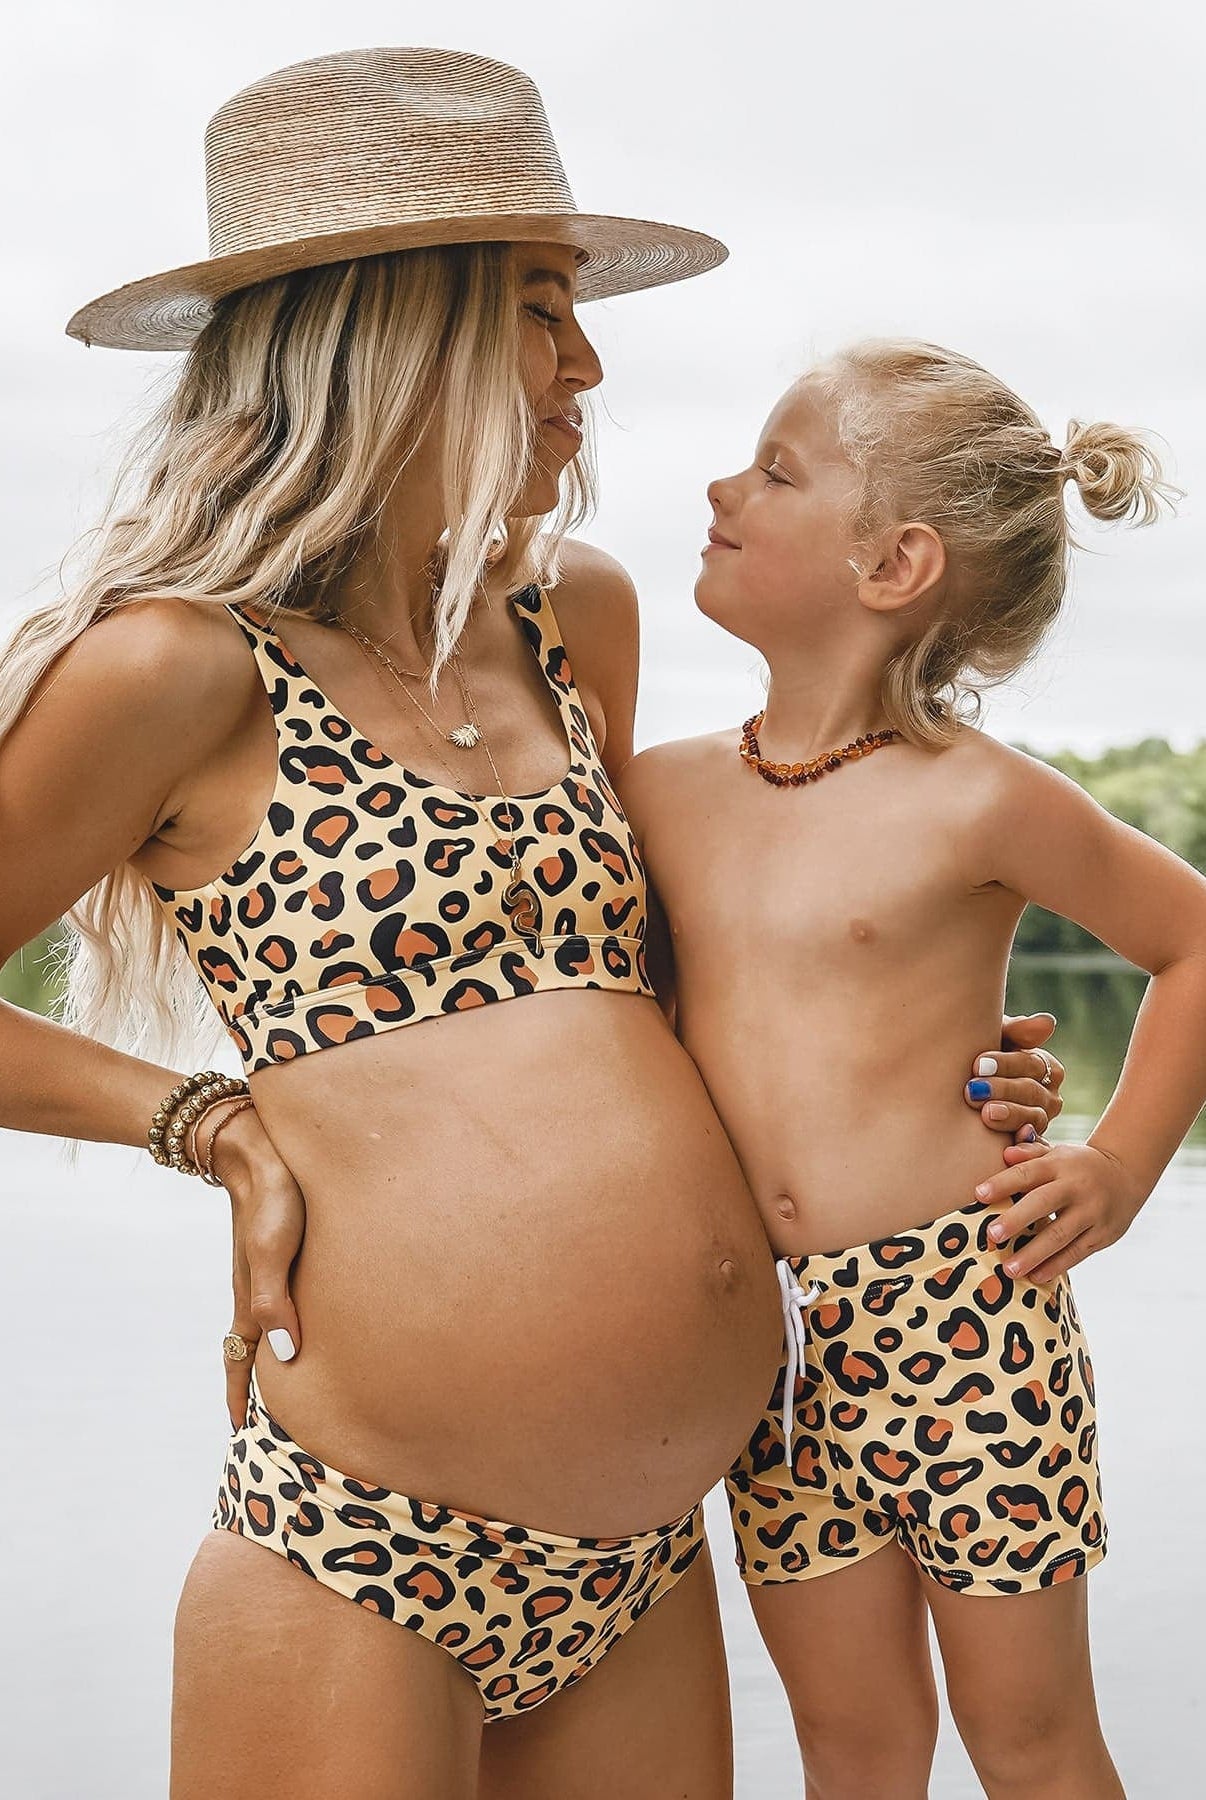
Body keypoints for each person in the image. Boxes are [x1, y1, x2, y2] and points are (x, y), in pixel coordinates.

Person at [0, 49, 1063, 1799]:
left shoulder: (577, 620)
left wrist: (915, 1076)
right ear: (384, 325)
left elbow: (654, 1003)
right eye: (542, 308)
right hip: (364, 1556)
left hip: (643, 1562)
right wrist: (203, 1123)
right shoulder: (175, 669)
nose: (586, 364)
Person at [619, 338, 1206, 1798]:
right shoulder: (655, 796)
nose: (719, 485)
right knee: (853, 1749)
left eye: (774, 470)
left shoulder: (979, 802)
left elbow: (1193, 945)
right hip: (767, 1343)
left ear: (892, 565)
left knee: (1031, 1745)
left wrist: (1118, 1162)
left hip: (967, 1314)